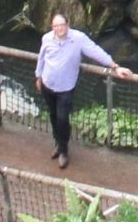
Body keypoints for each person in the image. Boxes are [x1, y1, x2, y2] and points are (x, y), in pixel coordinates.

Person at [33, 12, 131, 169]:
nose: (59, 28)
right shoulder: (47, 38)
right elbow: (41, 58)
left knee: (62, 119)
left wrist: (115, 66)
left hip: (66, 88)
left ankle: (64, 150)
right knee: (53, 116)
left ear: (67, 24)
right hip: (48, 84)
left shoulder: (78, 39)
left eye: (61, 25)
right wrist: (38, 77)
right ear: (52, 27)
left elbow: (95, 51)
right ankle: (58, 143)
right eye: (56, 25)